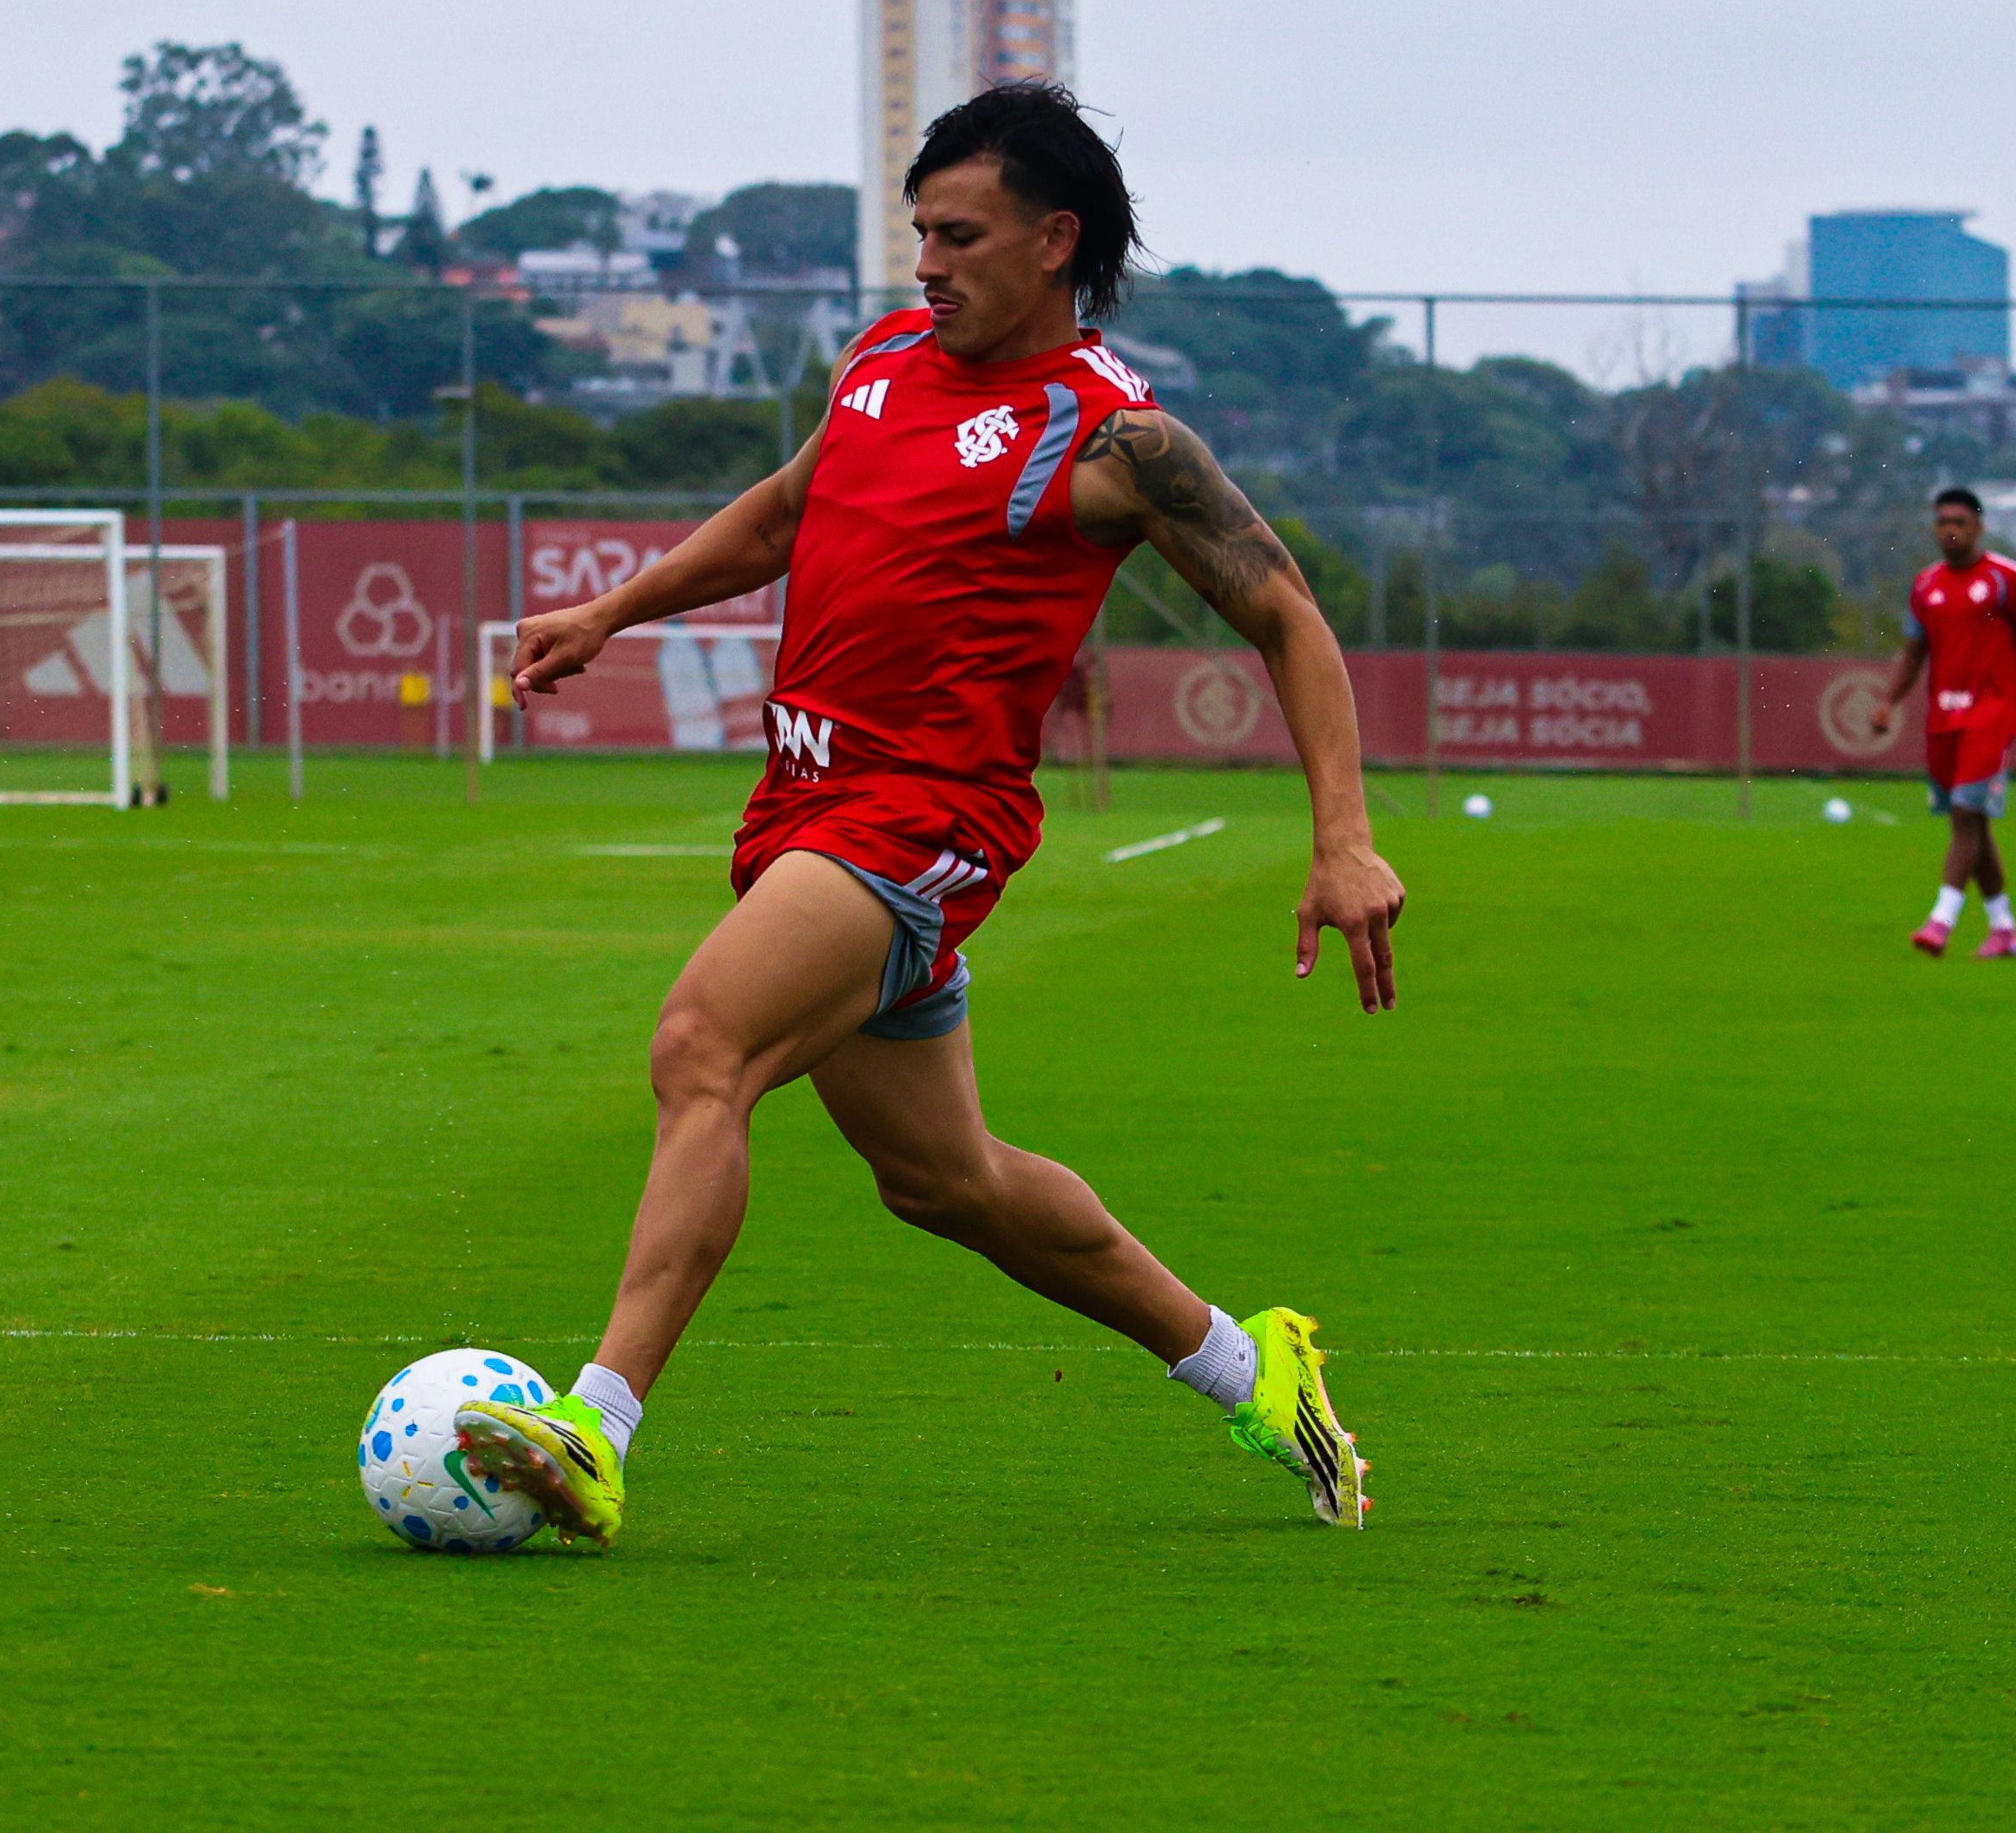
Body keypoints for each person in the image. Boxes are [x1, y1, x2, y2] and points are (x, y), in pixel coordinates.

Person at [455, 83, 1405, 1544]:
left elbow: (1287, 615)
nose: (927, 263)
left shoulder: (1117, 440)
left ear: (1054, 240)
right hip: (803, 804)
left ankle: (595, 1427)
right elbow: (785, 512)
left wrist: (1341, 838)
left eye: (959, 235)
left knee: (702, 1044)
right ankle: (1252, 1366)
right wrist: (612, 611)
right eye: (921, 232)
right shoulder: (886, 358)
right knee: (944, 1180)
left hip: (921, 823)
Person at [1869, 489, 2016, 957]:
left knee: (1964, 815)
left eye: (1959, 522)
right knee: (1972, 824)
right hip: (1943, 719)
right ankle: (2004, 929)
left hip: (1991, 716)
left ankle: (1940, 922)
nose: (1950, 530)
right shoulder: (1925, 586)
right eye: (1942, 522)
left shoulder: (2007, 580)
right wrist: (1889, 702)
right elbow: (1914, 652)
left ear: (1979, 527)